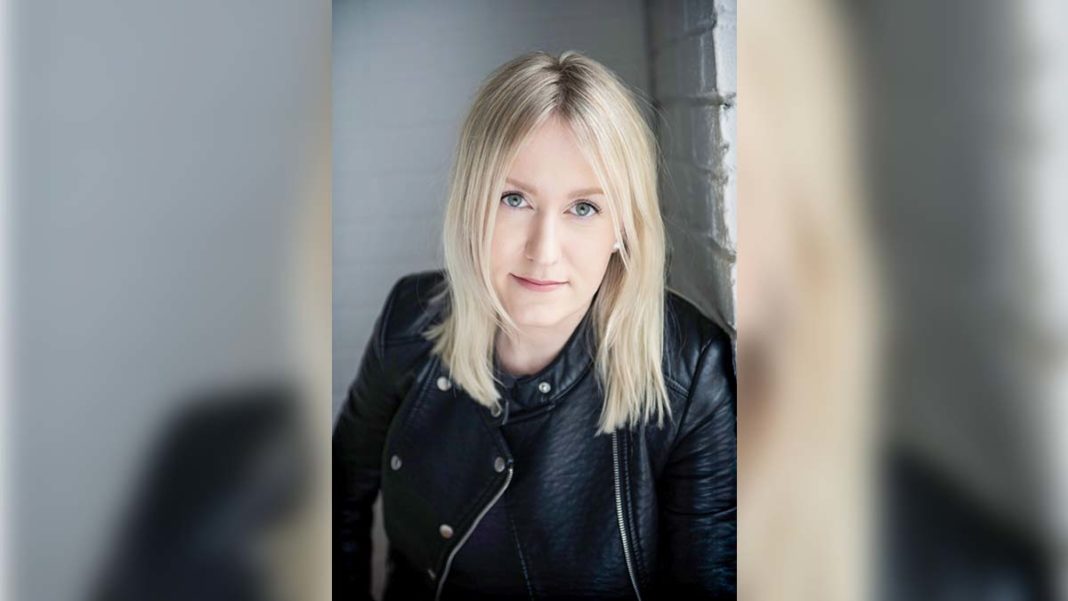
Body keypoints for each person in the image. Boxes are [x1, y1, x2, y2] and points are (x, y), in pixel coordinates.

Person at [333, 50, 736, 601]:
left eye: (584, 208)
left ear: (624, 227)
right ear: (472, 204)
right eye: (514, 199)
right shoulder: (409, 319)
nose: (543, 251)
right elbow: (336, 498)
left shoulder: (690, 370)